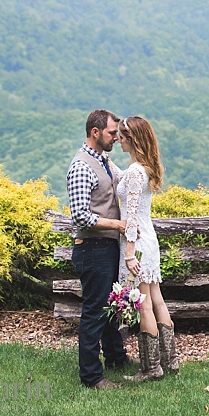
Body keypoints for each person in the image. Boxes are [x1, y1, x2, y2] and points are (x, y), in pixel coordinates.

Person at [67, 109, 132, 389]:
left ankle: (116, 357)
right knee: (94, 312)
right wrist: (117, 225)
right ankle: (92, 376)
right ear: (95, 133)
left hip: (103, 247)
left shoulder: (102, 160)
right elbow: (80, 215)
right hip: (92, 249)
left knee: (110, 307)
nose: (116, 138)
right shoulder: (81, 166)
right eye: (111, 133)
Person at [115, 115, 179, 381]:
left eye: (122, 135)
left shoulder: (134, 173)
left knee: (143, 305)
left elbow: (129, 217)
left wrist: (129, 254)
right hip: (149, 239)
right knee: (157, 299)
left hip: (137, 243)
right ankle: (170, 360)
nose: (118, 139)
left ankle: (151, 368)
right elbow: (130, 186)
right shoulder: (144, 168)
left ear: (132, 140)